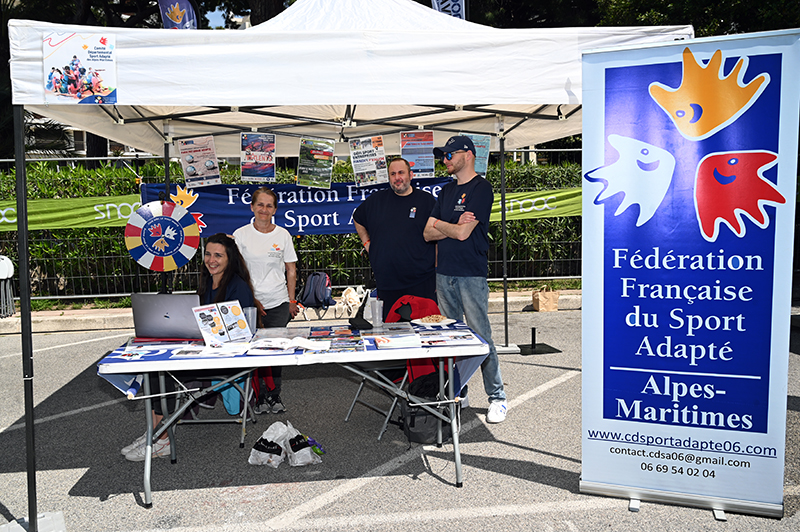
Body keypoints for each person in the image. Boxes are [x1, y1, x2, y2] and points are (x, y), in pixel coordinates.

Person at [122, 233, 257, 461]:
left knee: (162, 375)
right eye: (208, 254)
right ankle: (155, 432)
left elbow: (237, 333)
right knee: (154, 370)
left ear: (230, 258)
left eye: (218, 255)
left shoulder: (238, 286)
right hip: (205, 353)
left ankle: (162, 438)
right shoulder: (207, 282)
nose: (211, 260)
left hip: (224, 359)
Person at [423, 135, 508, 424]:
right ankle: (459, 392)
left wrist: (441, 225)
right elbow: (427, 233)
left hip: (471, 274)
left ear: (468, 154)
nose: (445, 160)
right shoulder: (446, 191)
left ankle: (497, 397)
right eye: (443, 156)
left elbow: (461, 234)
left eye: (450, 154)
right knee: (451, 338)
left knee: (481, 336)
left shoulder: (481, 188)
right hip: (444, 273)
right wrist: (450, 225)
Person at [233, 187, 299, 414]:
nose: (264, 209)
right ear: (252, 207)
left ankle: (275, 395)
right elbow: (237, 272)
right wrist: (252, 299)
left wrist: (291, 301)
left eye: (269, 205)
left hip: (278, 302)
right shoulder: (240, 235)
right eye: (260, 204)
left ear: (275, 210)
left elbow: (291, 270)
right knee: (254, 350)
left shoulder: (283, 235)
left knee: (275, 350)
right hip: (249, 304)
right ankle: (259, 396)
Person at [353, 158, 437, 320]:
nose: (397, 178)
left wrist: (437, 267)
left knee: (424, 330)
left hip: (421, 282)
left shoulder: (426, 201)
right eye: (393, 174)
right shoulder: (377, 200)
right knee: (391, 330)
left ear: (411, 175)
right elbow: (358, 218)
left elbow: (438, 236)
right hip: (387, 283)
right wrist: (367, 243)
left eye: (401, 173)